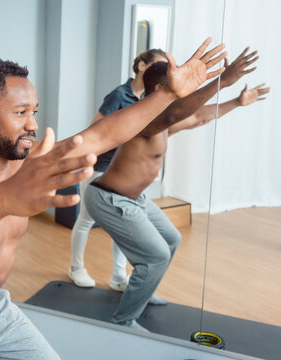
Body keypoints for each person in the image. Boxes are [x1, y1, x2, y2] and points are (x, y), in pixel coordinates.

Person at [0, 39, 226, 359]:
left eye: (35, 111)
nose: (33, 124)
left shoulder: (22, 167)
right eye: (20, 113)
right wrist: (5, 198)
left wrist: (165, 96)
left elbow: (100, 135)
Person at [83, 48, 268, 331]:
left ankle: (141, 290)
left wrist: (237, 101)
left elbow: (199, 116)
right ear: (160, 89)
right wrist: (222, 81)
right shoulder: (142, 116)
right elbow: (178, 113)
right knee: (155, 257)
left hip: (134, 199)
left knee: (170, 240)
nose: (186, 87)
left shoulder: (162, 118)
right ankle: (123, 322)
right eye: (180, 81)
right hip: (110, 199)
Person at [69, 49, 168, 290]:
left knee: (122, 229)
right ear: (143, 66)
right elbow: (95, 130)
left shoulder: (152, 100)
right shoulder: (118, 96)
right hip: (102, 170)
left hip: (125, 173)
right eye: (157, 66)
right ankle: (76, 268)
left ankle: (118, 275)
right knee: (86, 220)